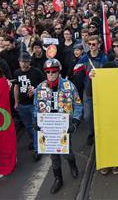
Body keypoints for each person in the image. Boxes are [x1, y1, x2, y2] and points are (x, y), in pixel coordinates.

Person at [34, 58, 82, 194]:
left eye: (53, 71)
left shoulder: (69, 86)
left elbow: (78, 104)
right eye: (48, 72)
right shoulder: (40, 88)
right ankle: (58, 178)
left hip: (63, 125)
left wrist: (75, 122)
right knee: (53, 156)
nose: (51, 74)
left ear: (58, 71)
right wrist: (35, 121)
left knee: (67, 152)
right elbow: (36, 107)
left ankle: (72, 164)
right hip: (48, 127)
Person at [13, 53, 44, 161]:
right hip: (22, 104)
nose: (22, 63)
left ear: (29, 62)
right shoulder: (17, 72)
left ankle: (37, 150)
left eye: (25, 61)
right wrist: (16, 102)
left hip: (34, 104)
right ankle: (35, 141)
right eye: (21, 61)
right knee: (28, 126)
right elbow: (16, 87)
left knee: (35, 126)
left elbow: (44, 85)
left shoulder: (36, 72)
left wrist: (36, 91)